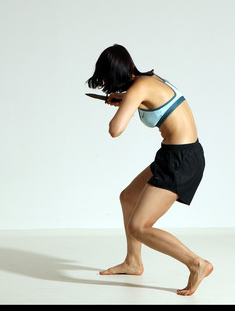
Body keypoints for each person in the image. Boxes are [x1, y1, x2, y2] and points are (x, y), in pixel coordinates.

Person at [86, 44, 213, 296]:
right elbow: (156, 100)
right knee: (128, 197)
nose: (106, 84)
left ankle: (197, 263)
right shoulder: (149, 80)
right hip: (174, 154)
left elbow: (115, 130)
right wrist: (125, 99)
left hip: (182, 160)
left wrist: (127, 105)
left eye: (105, 78)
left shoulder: (138, 88)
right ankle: (133, 262)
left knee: (139, 226)